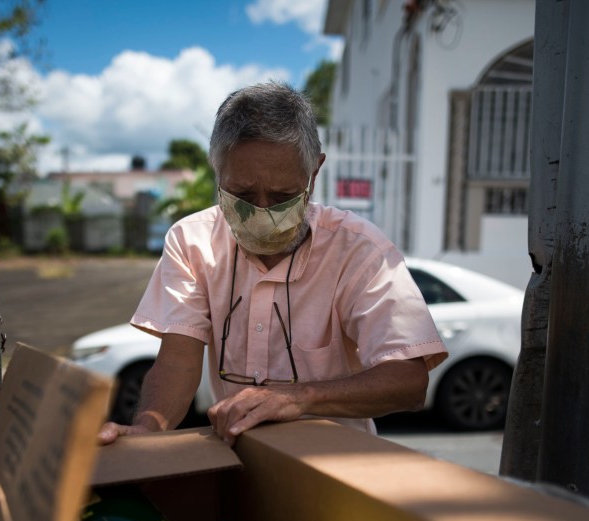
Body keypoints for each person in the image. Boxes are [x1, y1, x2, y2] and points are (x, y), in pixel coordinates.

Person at [98, 81, 447, 446]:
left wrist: (299, 397)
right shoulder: (192, 241)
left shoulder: (360, 251)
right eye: (242, 196)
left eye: (282, 197)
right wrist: (148, 429)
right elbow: (177, 360)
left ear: (314, 171)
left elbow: (408, 381)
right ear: (217, 173)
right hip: (241, 461)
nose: (262, 213)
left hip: (338, 471)